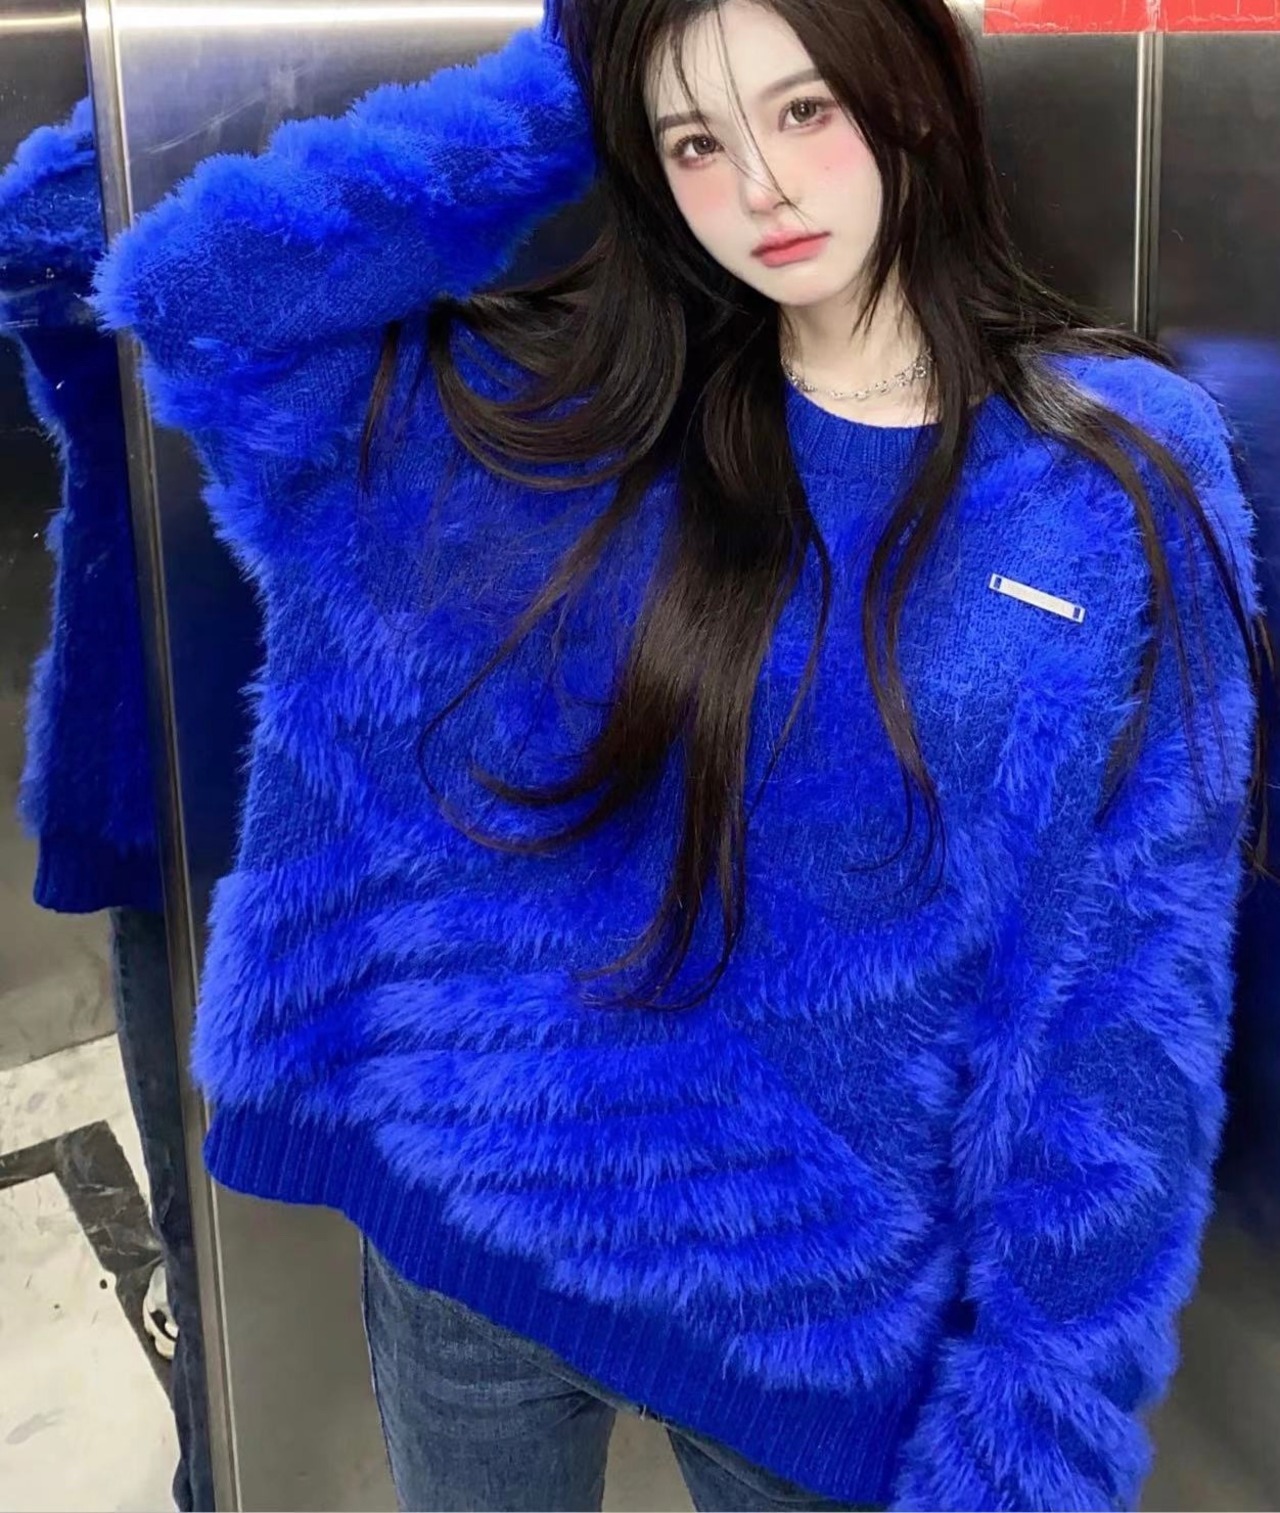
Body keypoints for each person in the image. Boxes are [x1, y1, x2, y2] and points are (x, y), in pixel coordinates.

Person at [91, 0, 1268, 1504]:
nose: (762, 188)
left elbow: (1126, 994)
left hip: (813, 1328)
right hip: (472, 1237)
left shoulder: (1109, 471)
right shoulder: (559, 414)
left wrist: (1036, 1427)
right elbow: (197, 296)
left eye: (804, 110)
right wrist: (574, 75)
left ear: (912, 90)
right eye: (696, 141)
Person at [0, 99, 214, 1512]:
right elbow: (35, 239)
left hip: (390, 757)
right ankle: (220, 1464)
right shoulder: (138, 121)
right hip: (165, 754)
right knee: (195, 1191)